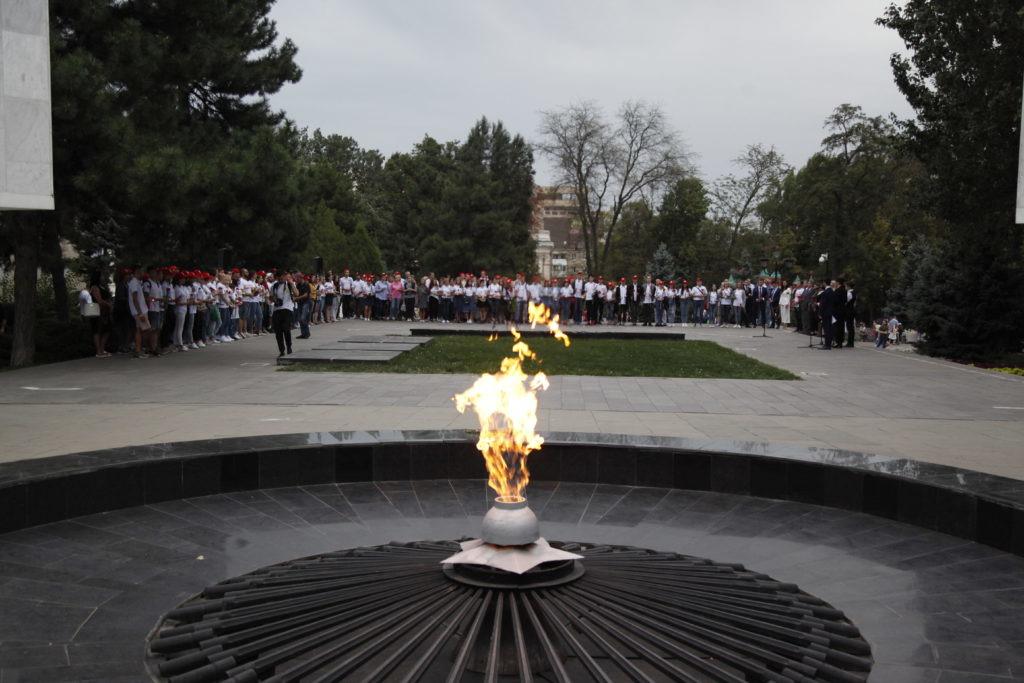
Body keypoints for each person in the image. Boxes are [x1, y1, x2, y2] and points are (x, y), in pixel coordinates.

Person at [83, 272, 113, 357]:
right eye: (102, 276)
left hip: (103, 312)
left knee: (106, 330)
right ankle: (99, 351)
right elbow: (99, 300)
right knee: (98, 330)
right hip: (97, 311)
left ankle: (101, 349)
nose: (103, 277)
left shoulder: (101, 286)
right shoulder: (95, 287)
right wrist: (108, 305)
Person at [270, 272, 298, 357]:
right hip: (277, 310)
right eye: (280, 277)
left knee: (286, 329)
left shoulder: (289, 284)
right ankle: (281, 350)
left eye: (283, 276)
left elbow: (296, 294)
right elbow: (270, 297)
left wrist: (291, 283)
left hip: (287, 309)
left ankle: (289, 347)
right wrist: (274, 299)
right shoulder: (274, 285)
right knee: (278, 332)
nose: (281, 278)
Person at [818, 280, 839, 350]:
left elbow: (822, 304)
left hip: (825, 313)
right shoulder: (832, 292)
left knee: (827, 329)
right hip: (831, 312)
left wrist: (820, 313)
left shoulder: (825, 292)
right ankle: (828, 344)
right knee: (829, 329)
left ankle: (827, 345)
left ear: (824, 284)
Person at [845, 281, 857, 348]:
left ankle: (850, 342)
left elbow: (846, 301)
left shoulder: (849, 293)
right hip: (852, 310)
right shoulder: (854, 292)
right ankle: (851, 342)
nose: (846, 287)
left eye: (846, 286)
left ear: (849, 286)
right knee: (851, 327)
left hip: (849, 311)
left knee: (849, 326)